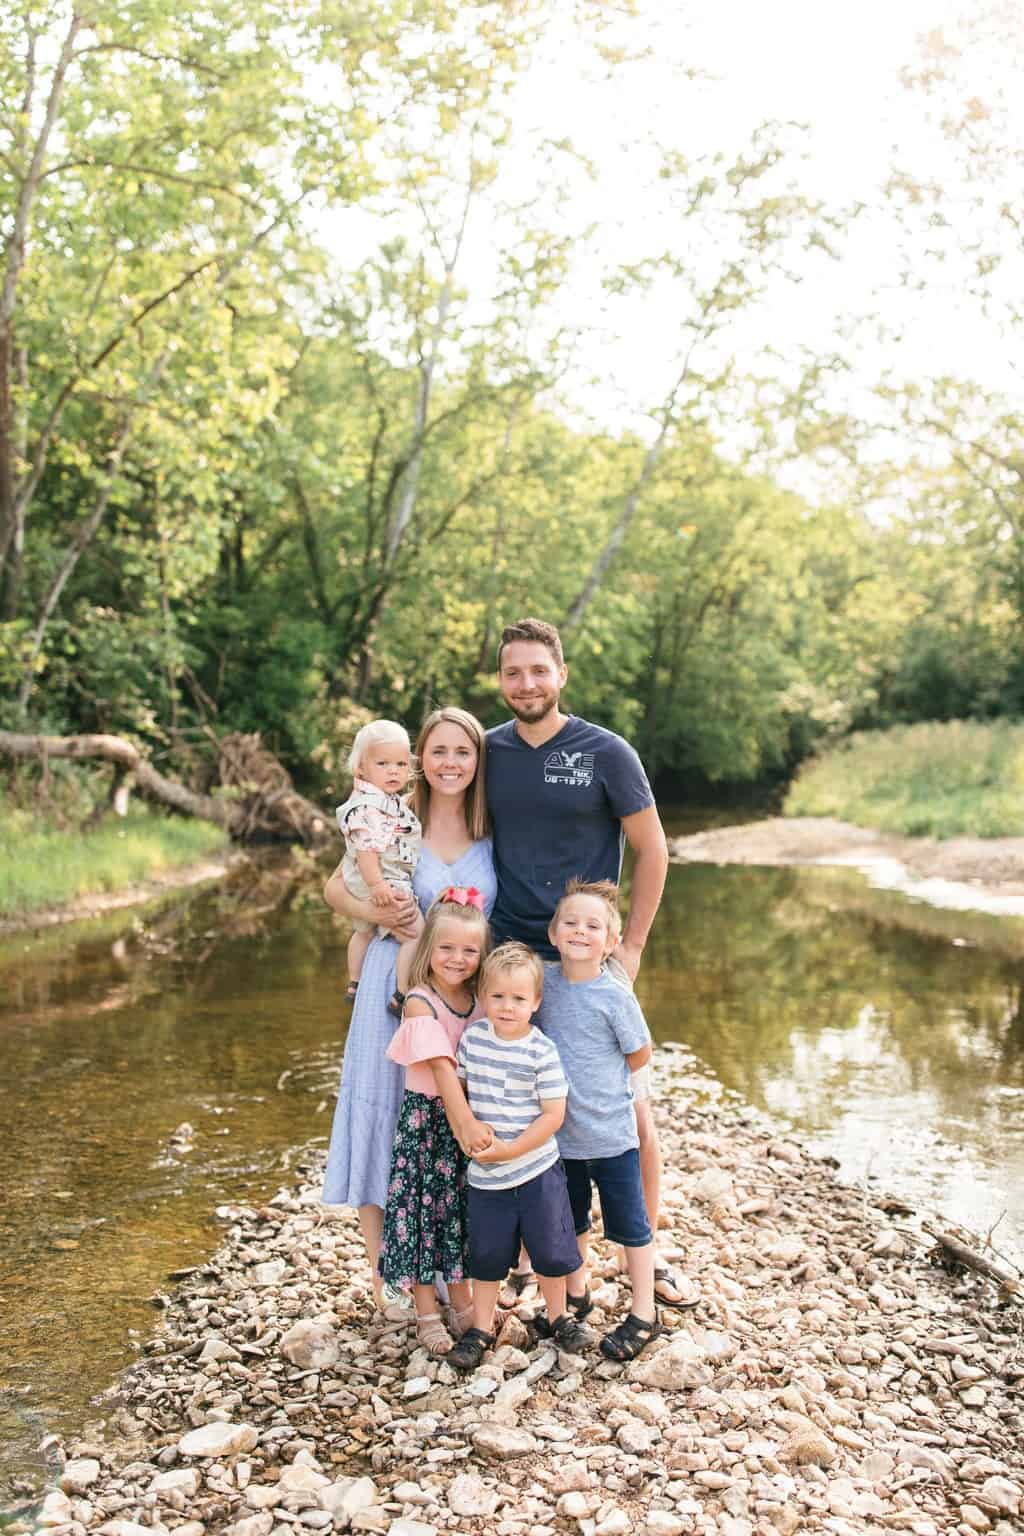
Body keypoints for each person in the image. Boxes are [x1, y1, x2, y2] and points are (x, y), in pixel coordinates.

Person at [486, 617, 691, 1310]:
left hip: (586, 956)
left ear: (561, 674)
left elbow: (655, 851)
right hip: (513, 960)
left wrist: (629, 947)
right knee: (520, 1100)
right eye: (513, 673)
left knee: (626, 1105)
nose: (526, 684)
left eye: (538, 670)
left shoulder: (605, 752)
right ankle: (538, 1248)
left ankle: (648, 1249)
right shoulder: (488, 753)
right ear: (501, 681)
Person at [322, 707, 496, 1311]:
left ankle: (451, 1275)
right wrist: (379, 915)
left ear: (477, 762)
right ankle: (387, 1282)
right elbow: (335, 886)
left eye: (463, 752)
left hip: (460, 998)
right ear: (420, 758)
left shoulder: (492, 827)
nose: (450, 764)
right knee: (383, 1113)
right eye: (438, 752)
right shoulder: (392, 814)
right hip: (389, 988)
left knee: (445, 1132)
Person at [440, 942, 591, 1373]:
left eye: (519, 998)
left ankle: (559, 1317)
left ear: (536, 1002)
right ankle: (481, 1329)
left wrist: (513, 1149)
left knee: (550, 1249)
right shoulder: (472, 1041)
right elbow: (462, 1098)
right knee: (486, 1257)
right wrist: (467, 1134)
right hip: (487, 1176)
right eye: (498, 997)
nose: (507, 1007)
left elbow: (553, 1115)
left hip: (536, 1169)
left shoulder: (540, 1050)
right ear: (483, 997)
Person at [538, 878, 661, 1361]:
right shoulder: (544, 984)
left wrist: (600, 1086)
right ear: (553, 933)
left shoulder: (614, 996)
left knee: (630, 1226)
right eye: (570, 922)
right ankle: (577, 1292)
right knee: (569, 1221)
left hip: (612, 1137)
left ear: (611, 943)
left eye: (593, 926)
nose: (580, 931)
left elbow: (640, 1053)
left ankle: (645, 1312)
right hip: (562, 1140)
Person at [378, 888, 491, 1354]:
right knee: (422, 1216)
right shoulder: (420, 1001)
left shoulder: (482, 1000)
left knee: (461, 1214)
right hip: (430, 1124)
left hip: (468, 1120)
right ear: (429, 949)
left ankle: (463, 1303)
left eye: (469, 950)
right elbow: (443, 1067)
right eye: (446, 947)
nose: (457, 958)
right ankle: (427, 1311)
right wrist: (463, 1121)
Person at [335, 719, 423, 1008]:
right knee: (415, 934)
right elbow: (366, 849)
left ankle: (355, 982)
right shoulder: (370, 806)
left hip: (371, 881)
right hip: (382, 881)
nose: (394, 771)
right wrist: (377, 885)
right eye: (383, 764)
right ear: (361, 767)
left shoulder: (382, 800)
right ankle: (402, 991)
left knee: (362, 931)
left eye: (400, 764)